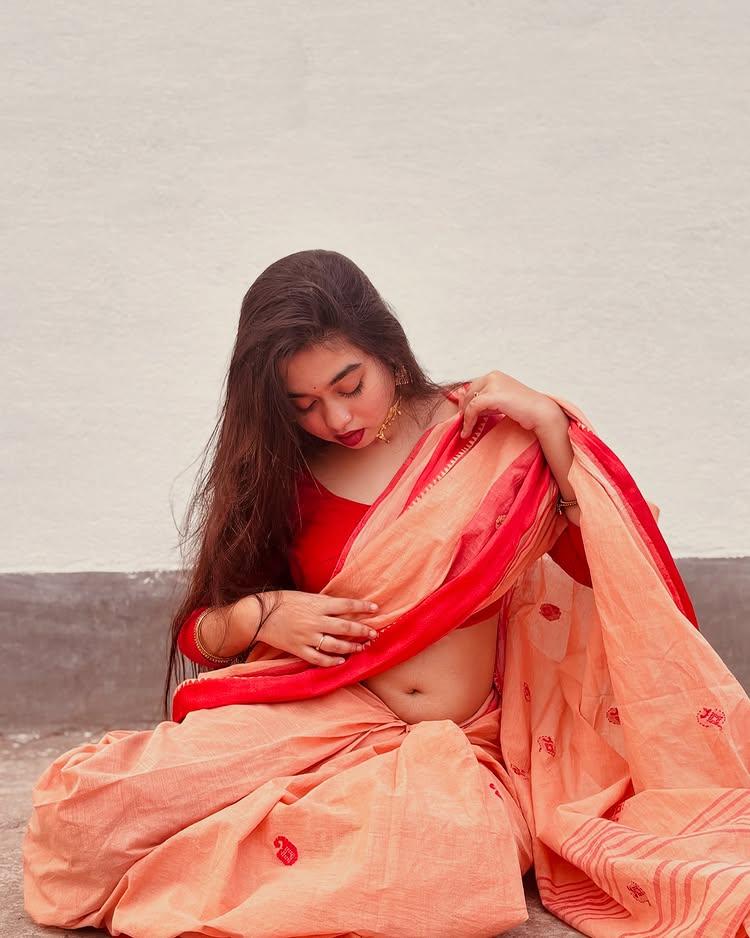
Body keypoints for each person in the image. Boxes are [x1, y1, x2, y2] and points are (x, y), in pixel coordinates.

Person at [23, 250, 750, 938]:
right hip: (321, 709)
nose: (336, 420)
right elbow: (201, 633)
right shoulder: (285, 473)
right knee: (88, 817)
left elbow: (611, 575)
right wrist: (264, 614)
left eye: (349, 386)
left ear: (389, 355)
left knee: (439, 855)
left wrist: (552, 429)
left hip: (460, 747)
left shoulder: (485, 440)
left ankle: (228, 869)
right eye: (304, 404)